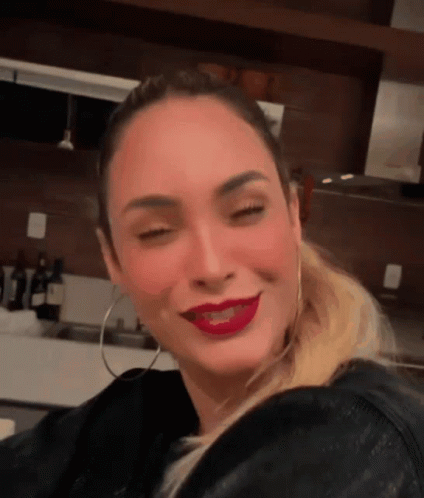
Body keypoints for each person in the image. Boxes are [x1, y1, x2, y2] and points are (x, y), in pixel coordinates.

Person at [1, 68, 424, 498]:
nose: (211, 266)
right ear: (113, 259)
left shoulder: (361, 446)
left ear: (294, 217)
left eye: (247, 210)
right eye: (157, 231)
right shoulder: (135, 419)